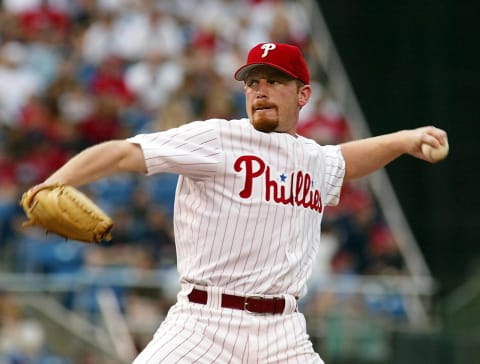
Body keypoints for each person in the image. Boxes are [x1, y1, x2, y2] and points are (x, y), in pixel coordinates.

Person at [29, 42, 448, 363]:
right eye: (253, 82)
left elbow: (346, 160)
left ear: (303, 95)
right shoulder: (217, 139)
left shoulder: (313, 158)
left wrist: (405, 139)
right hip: (203, 323)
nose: (260, 91)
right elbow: (124, 152)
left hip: (283, 332)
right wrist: (52, 183)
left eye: (274, 81)